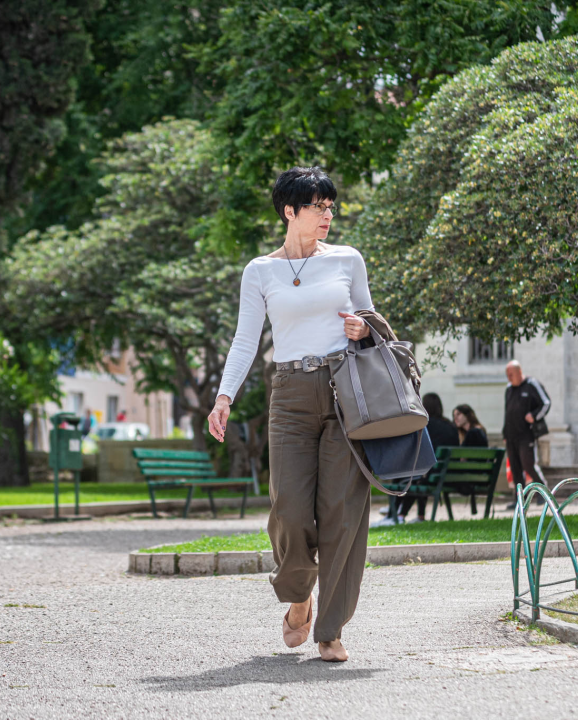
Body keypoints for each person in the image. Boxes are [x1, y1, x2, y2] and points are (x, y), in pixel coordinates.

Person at [207, 166, 376, 663]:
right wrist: (224, 397)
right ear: (289, 210)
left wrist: (362, 329)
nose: (328, 215)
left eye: (330, 206)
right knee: (289, 510)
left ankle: (331, 629)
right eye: (317, 206)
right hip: (289, 392)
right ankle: (299, 596)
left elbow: (371, 317)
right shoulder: (260, 271)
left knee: (344, 512)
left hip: (345, 388)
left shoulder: (347, 259)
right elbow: (245, 339)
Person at [374, 393, 459, 527]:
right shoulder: (450, 425)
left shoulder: (426, 424)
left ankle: (395, 515)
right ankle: (415, 515)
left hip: (430, 473)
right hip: (445, 474)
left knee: (406, 474)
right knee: (417, 474)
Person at [501, 361, 551, 508]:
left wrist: (534, 416)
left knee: (528, 465)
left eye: (511, 374)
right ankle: (520, 500)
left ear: (519, 372)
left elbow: (546, 403)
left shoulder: (531, 384)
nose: (509, 378)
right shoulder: (509, 389)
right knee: (516, 469)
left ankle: (543, 493)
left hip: (526, 434)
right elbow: (507, 412)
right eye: (507, 375)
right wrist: (505, 432)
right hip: (511, 436)